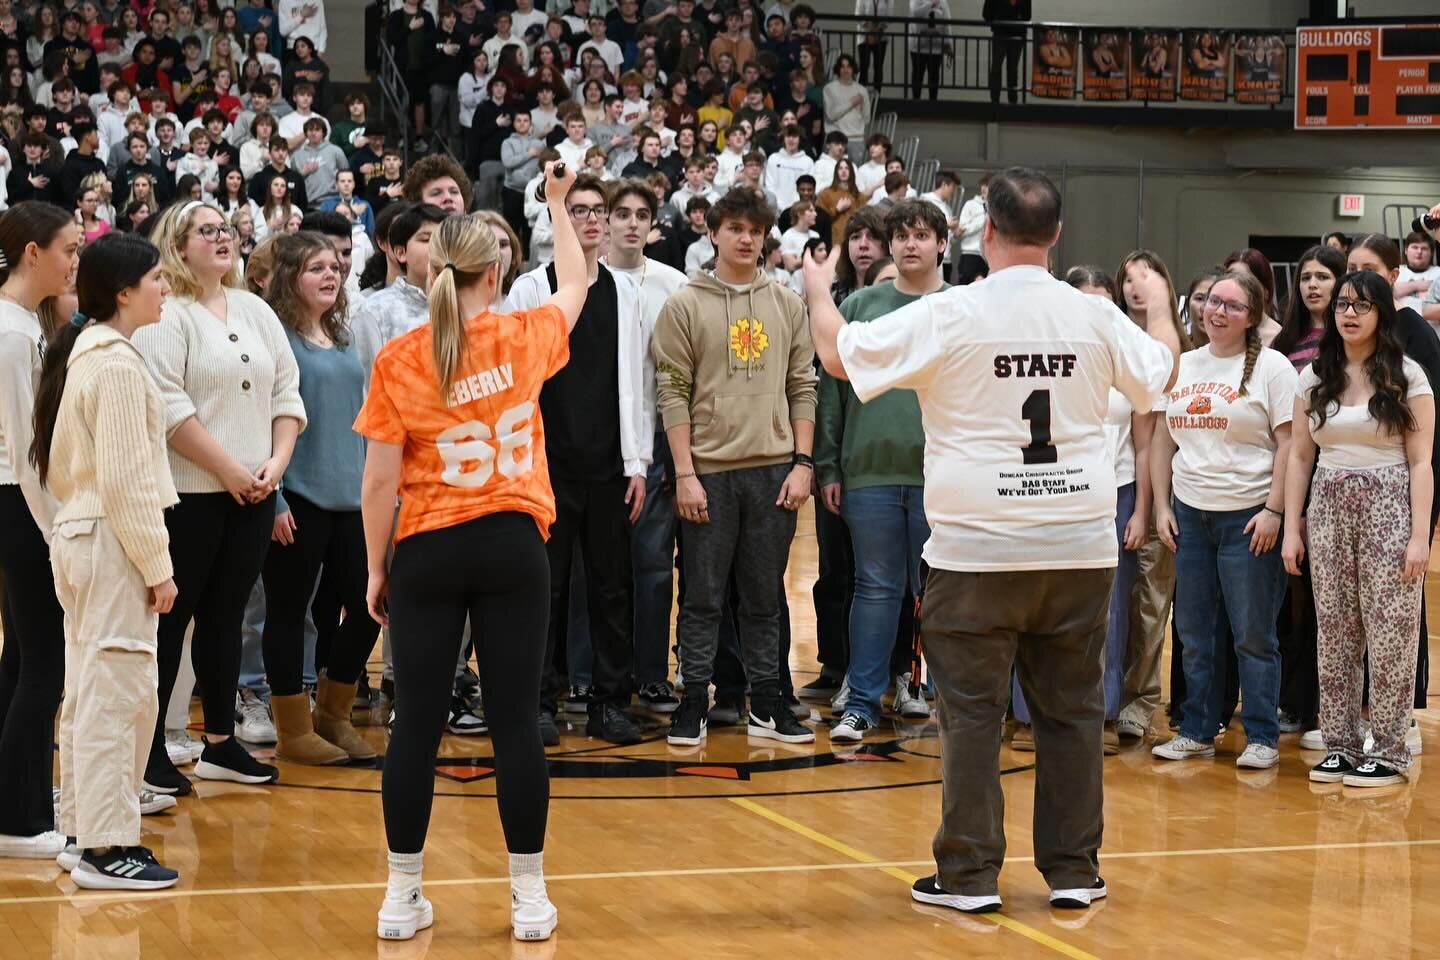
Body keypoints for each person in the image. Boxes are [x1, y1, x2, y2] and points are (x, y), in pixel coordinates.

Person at [803, 166, 1178, 913]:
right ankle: (1074, 871)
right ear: (1057, 234)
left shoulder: (953, 312)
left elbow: (842, 356)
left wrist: (818, 291)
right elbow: (1159, 374)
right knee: (1071, 714)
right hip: (1076, 549)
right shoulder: (1095, 316)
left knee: (971, 716)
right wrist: (1163, 307)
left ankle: (970, 876)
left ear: (987, 232)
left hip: (977, 551)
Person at [359, 163, 588, 944]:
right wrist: (556, 204)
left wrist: (377, 568)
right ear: (498, 270)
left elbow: (379, 484)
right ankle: (528, 896)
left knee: (415, 725)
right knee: (516, 723)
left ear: (431, 268)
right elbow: (577, 284)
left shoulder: (400, 359)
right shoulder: (525, 336)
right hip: (512, 544)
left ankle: (401, 896)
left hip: (428, 546)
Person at [133, 201, 307, 793]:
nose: (221, 237)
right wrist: (231, 470)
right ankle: (150, 746)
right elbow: (168, 407)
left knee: (226, 618)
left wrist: (273, 466)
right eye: (205, 230)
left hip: (255, 491)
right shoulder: (167, 313)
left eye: (225, 228)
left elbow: (287, 392)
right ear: (178, 246)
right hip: (190, 493)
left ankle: (219, 745)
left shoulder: (256, 309)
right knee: (171, 620)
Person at [28, 233, 181, 888]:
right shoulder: (116, 366)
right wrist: (158, 566)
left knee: (90, 689)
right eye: (156, 278)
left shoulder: (92, 353)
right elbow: (126, 482)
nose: (165, 287)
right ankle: (105, 848)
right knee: (118, 693)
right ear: (123, 292)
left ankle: (83, 833)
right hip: (111, 538)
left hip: (83, 534)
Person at [652, 186, 819, 748]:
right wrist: (684, 473)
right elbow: (671, 391)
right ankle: (694, 699)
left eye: (756, 230)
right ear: (714, 232)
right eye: (736, 228)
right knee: (701, 595)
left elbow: (803, 386)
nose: (747, 239)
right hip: (709, 474)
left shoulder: (788, 305)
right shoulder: (685, 304)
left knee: (765, 597)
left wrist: (803, 463)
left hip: (774, 472)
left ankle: (768, 705)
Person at [504, 174, 651, 746]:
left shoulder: (626, 291)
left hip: (609, 467)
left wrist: (637, 464)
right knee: (546, 588)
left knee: (613, 590)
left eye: (599, 211)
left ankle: (610, 703)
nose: (591, 220)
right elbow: (515, 380)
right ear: (558, 218)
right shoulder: (529, 289)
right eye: (579, 210)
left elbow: (635, 383)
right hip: (544, 466)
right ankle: (538, 700)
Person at [1284, 269, 1433, 787]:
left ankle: (1390, 749)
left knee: (1391, 630)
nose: (1349, 313)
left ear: (1381, 314)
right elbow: (1300, 457)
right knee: (1335, 631)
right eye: (1344, 304)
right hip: (1326, 504)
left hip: (1389, 502)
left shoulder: (1407, 375)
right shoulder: (1315, 374)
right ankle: (1341, 743)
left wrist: (1419, 537)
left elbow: (1421, 462)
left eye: (1362, 306)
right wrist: (1291, 528)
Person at [1150, 270, 1297, 769]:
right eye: (1213, 301)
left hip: (1248, 518)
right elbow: (1164, 440)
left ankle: (1261, 736)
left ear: (1252, 316)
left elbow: (1290, 446)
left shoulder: (1273, 369)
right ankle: (1196, 729)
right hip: (1191, 516)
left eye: (1232, 306)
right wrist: (1162, 506)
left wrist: (1274, 510)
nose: (1217, 311)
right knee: (1192, 631)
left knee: (1252, 635)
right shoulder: (1185, 364)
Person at [817, 200, 947, 740]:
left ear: (942, 243)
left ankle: (934, 694)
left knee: (939, 591)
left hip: (942, 477)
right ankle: (863, 701)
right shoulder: (864, 303)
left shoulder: (961, 306)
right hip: (868, 472)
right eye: (901, 236)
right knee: (875, 587)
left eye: (921, 235)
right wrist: (827, 465)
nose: (910, 245)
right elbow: (833, 388)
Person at [260, 232, 379, 765]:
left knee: (373, 606)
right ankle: (292, 730)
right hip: (298, 499)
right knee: (289, 613)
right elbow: (265, 424)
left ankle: (332, 717)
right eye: (316, 268)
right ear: (290, 277)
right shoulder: (275, 339)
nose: (331, 275)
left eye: (335, 267)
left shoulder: (346, 336)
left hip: (353, 500)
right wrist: (275, 499)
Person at [0, 201, 80, 861]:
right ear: (34, 253)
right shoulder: (13, 331)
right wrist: (58, 530)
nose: (74, 261)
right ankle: (20, 820)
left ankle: (13, 802)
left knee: (20, 659)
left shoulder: (22, 324)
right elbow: (28, 452)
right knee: (43, 663)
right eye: (68, 249)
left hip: (16, 503)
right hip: (18, 506)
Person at [1346, 232, 1440, 738]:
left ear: (1393, 275)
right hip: (1346, 495)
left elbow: (1427, 435)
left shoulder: (1414, 336)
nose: (1358, 275)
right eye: (1351, 267)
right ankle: (1355, 714)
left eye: (1370, 268)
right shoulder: (1345, 343)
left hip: (1408, 485)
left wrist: (1424, 517)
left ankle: (1402, 717)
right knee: (1355, 614)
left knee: (1400, 610)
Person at [601, 180, 688, 711]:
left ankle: (653, 672)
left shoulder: (674, 285)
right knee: (598, 566)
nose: (632, 223)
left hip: (655, 440)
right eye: (622, 214)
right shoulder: (583, 281)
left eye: (641, 215)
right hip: (597, 441)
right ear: (606, 222)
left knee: (653, 563)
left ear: (652, 224)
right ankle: (589, 675)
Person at [983, 0, 1029, 105]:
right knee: (1010, 71)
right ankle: (1009, 103)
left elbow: (986, 14)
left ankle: (997, 103)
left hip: (1003, 33)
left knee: (998, 69)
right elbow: (1027, 15)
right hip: (1014, 34)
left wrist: (998, 19)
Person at [1397, 230, 1440, 317]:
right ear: (1406, 250)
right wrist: (1416, 285)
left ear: (1431, 253)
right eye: (1415, 247)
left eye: (1424, 248)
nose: (1419, 252)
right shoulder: (1396, 271)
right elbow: (1385, 293)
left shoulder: (1438, 273)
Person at [955, 174, 988, 284]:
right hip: (970, 254)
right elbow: (962, 229)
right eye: (983, 185)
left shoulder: (996, 208)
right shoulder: (971, 204)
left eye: (987, 185)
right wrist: (983, 220)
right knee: (965, 287)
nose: (984, 188)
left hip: (988, 256)